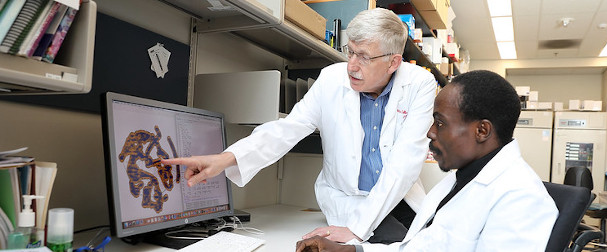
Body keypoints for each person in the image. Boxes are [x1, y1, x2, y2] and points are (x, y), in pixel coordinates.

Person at [161, 8, 437, 243]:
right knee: (388, 244)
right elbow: (287, 129)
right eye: (350, 52)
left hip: (397, 196)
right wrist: (226, 158)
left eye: (364, 57)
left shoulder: (419, 84)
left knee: (427, 240)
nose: (351, 65)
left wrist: (355, 229)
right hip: (347, 198)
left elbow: (404, 163)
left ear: (394, 62)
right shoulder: (331, 80)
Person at [295, 70, 560, 252]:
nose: (430, 132)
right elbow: (418, 247)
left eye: (441, 122)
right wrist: (351, 250)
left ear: (482, 131)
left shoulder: (523, 199)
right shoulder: (461, 180)